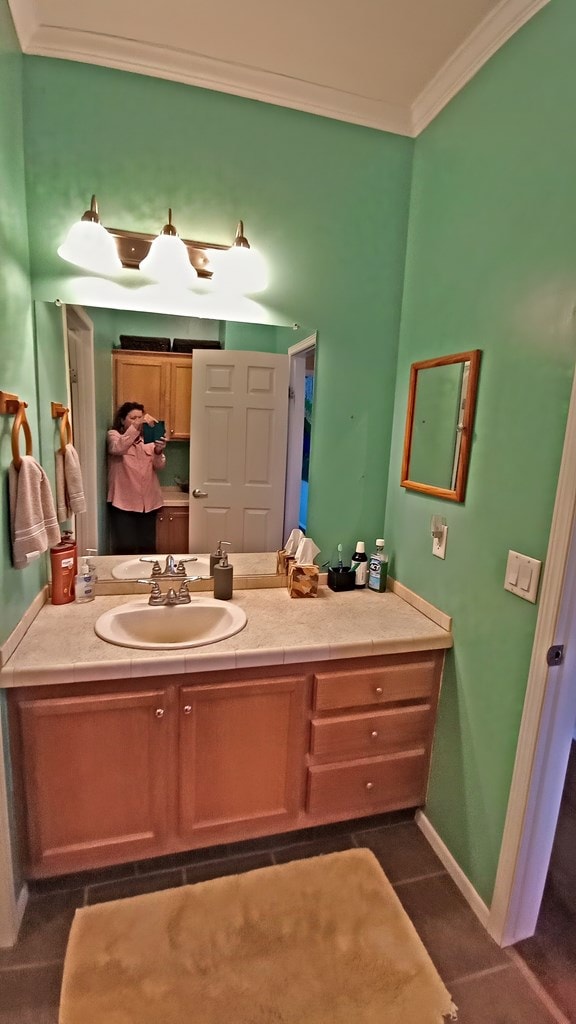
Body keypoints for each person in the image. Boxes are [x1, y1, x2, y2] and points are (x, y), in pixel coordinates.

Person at [107, 402, 167, 555]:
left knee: (148, 548)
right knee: (125, 549)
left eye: (140, 417)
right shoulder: (114, 436)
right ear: (122, 420)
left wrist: (158, 451)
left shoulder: (149, 440)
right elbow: (118, 448)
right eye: (133, 418)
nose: (138, 421)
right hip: (123, 504)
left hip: (149, 504)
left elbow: (159, 466)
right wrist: (136, 426)